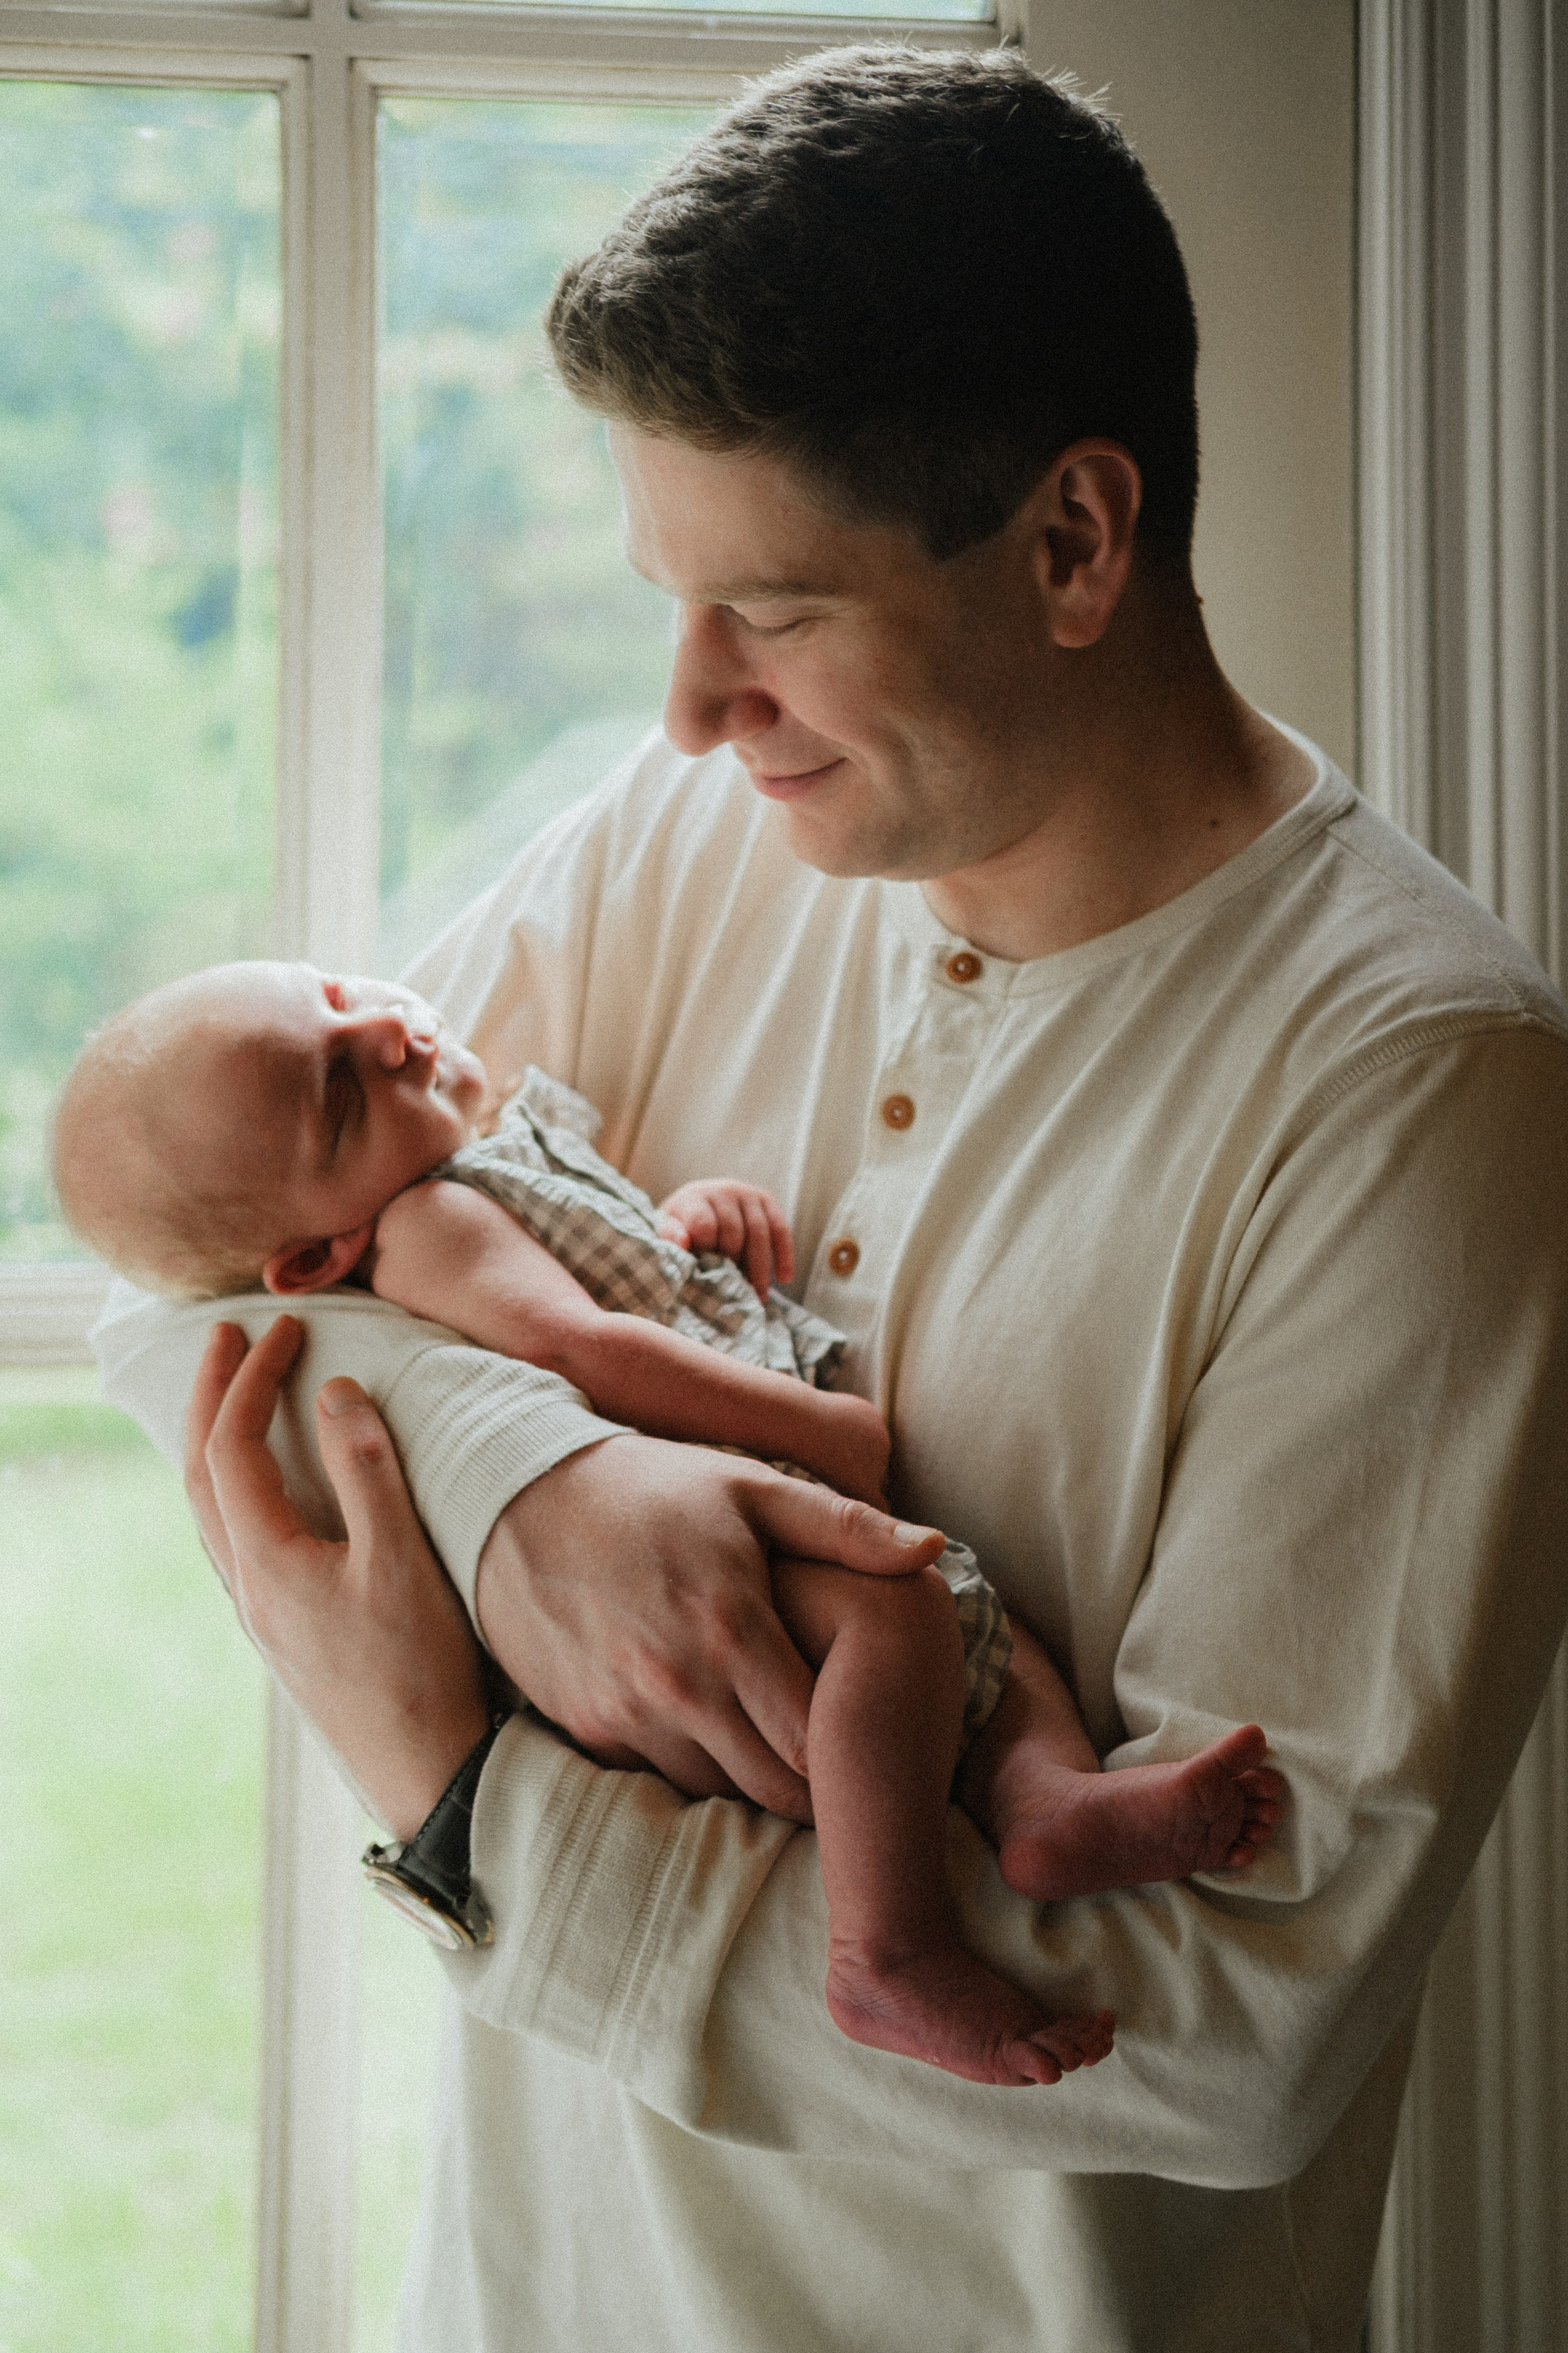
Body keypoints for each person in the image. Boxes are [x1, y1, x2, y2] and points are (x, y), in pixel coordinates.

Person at [94, 43, 1568, 2353]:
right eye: (667, 600)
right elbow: (176, 1277)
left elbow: (1228, 2014)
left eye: (769, 611)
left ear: (1076, 541)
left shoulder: (1421, 1092)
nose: (683, 708)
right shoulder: (703, 835)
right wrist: (531, 1488)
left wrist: (471, 1797)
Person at [55, 956, 1282, 2082]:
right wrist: (812, 1426)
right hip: (716, 1516)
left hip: (716, 1513)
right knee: (897, 1619)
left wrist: (691, 1221)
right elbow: (578, 1342)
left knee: (986, 1636)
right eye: (338, 1086)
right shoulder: (429, 1219)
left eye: (335, 991)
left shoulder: (494, 1150)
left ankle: (1041, 1799)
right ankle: (885, 1944)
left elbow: (611, 1273)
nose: (382, 1024)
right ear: (317, 1261)